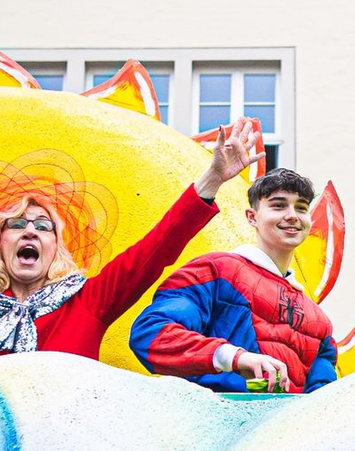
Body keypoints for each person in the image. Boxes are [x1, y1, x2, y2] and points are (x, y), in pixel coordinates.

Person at [0, 121, 260, 359]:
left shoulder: (86, 301)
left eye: (44, 227)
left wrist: (212, 180)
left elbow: (154, 249)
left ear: (56, 248)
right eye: (18, 224)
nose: (30, 231)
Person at [130, 167, 336, 393]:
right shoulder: (214, 272)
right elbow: (150, 333)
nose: (292, 215)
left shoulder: (320, 323)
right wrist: (234, 358)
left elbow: (323, 401)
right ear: (252, 217)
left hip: (287, 427)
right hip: (211, 422)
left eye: (301, 207)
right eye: (278, 205)